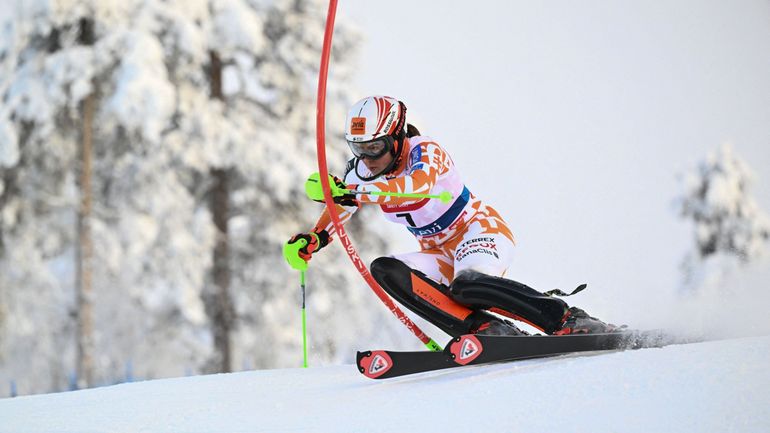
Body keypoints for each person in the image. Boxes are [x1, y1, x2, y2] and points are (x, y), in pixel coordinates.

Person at [284, 95, 619, 337]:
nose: (368, 158)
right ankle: (485, 329)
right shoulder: (362, 172)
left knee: (467, 284)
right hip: (437, 250)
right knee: (385, 270)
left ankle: (566, 319)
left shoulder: (426, 151)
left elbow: (415, 188)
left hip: (477, 230)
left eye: (376, 146)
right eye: (358, 148)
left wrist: (353, 191)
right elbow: (343, 207)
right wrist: (316, 237)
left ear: (398, 135)